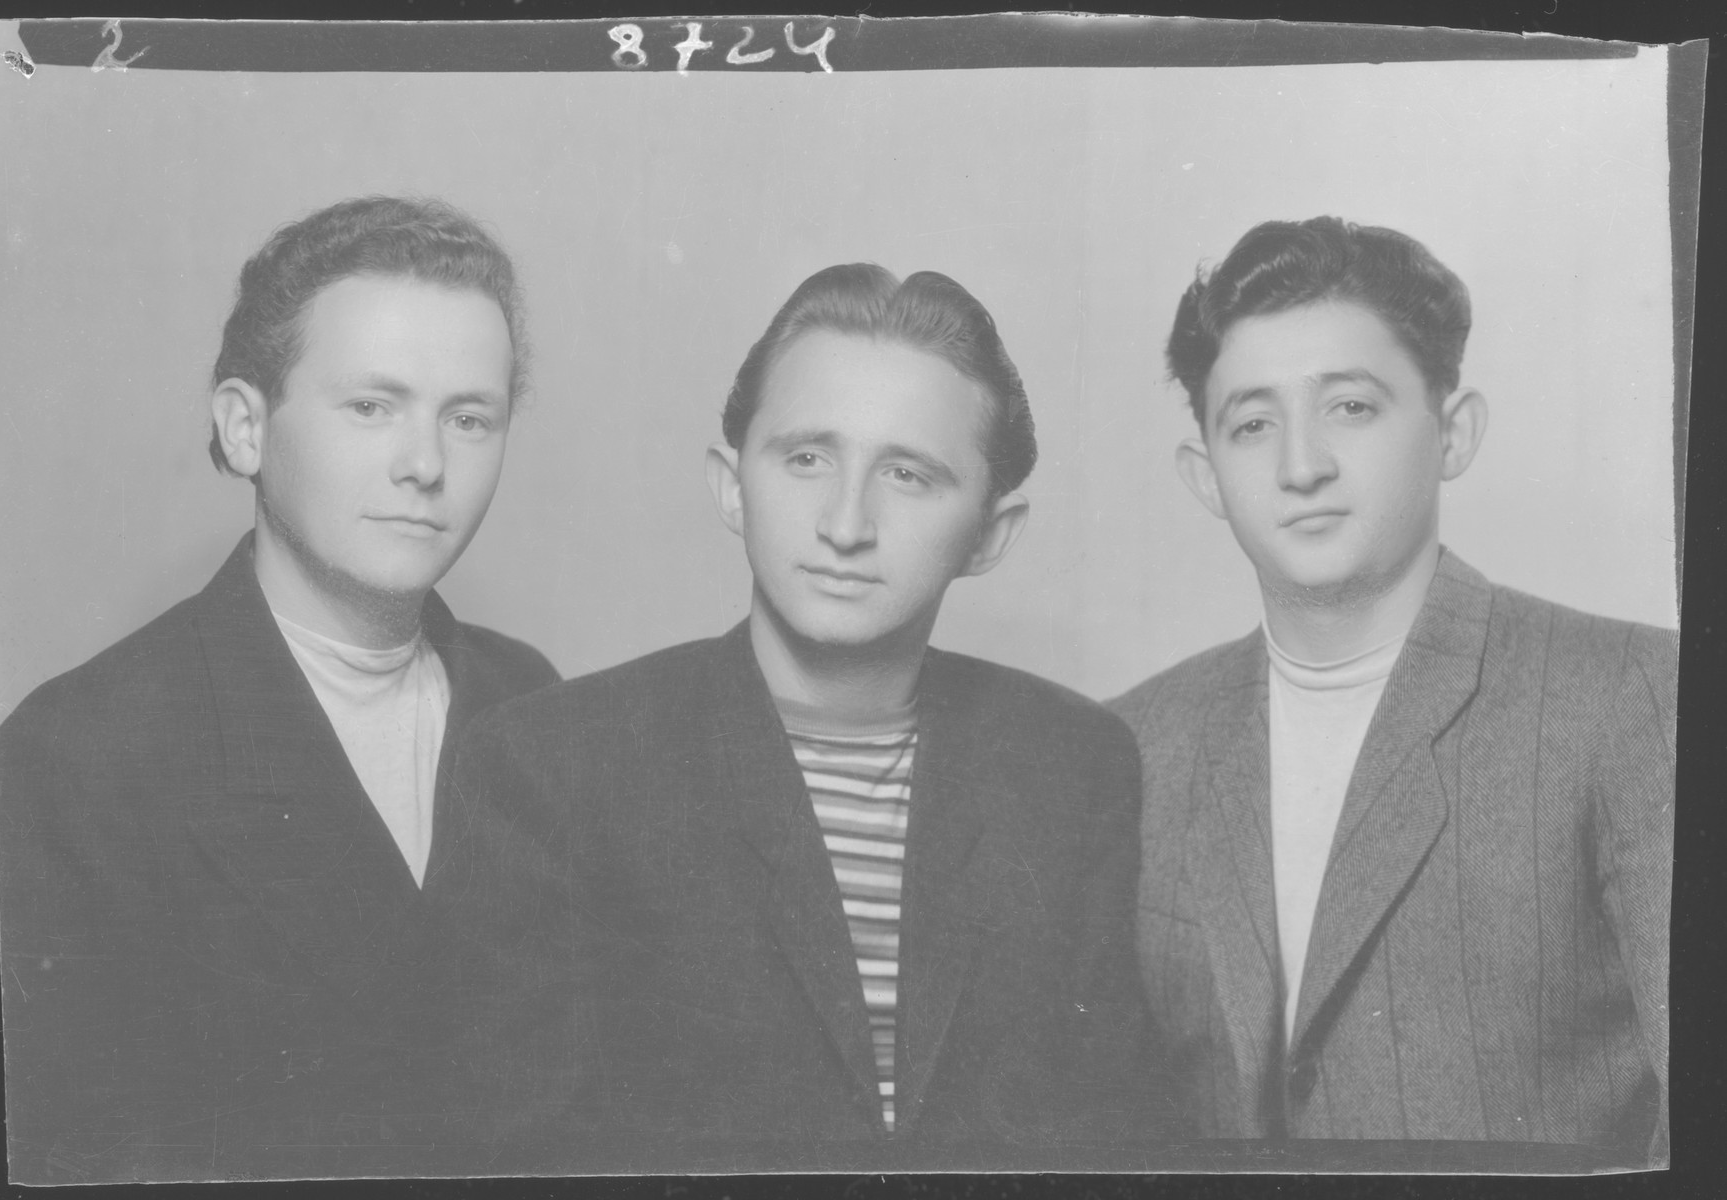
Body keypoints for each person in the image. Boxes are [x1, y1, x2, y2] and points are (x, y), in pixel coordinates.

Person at [455, 264, 1171, 1172]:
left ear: (991, 534)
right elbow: (516, 1164)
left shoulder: (1072, 765)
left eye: (909, 475)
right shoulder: (551, 767)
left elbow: (1117, 1138)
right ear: (731, 484)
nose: (845, 521)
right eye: (805, 458)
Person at [0, 195, 558, 1183]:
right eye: (371, 407)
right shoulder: (78, 758)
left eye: (470, 418)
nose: (424, 464)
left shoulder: (532, 706)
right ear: (245, 428)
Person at [1109, 217, 1675, 1160]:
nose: (1301, 466)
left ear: (1453, 434)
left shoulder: (1634, 698)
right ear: (1206, 477)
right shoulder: (1133, 743)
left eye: (1352, 408)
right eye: (1254, 424)